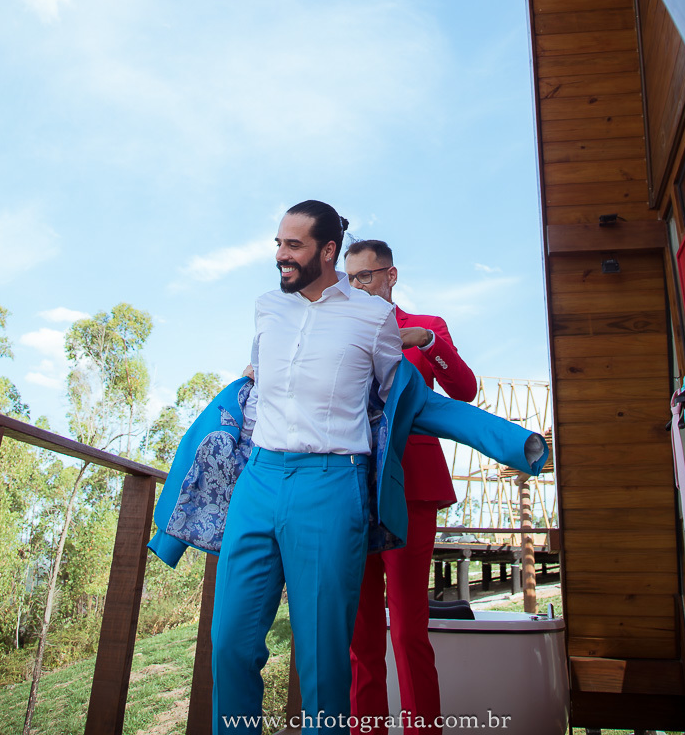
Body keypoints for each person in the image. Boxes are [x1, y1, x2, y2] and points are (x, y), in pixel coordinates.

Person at [148, 201, 548, 735]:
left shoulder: (373, 318)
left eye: (293, 246)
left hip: (331, 487)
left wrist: (511, 441)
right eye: (278, 244)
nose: (280, 256)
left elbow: (409, 402)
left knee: (324, 659)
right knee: (230, 644)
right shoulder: (268, 308)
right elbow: (259, 391)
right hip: (259, 484)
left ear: (327, 250)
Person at [344, 239, 477, 729]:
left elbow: (464, 390)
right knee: (360, 636)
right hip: (350, 489)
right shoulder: (338, 331)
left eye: (366, 276)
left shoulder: (428, 328)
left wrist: (427, 342)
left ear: (391, 275)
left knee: (407, 627)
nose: (357, 286)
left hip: (412, 486)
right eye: (350, 278)